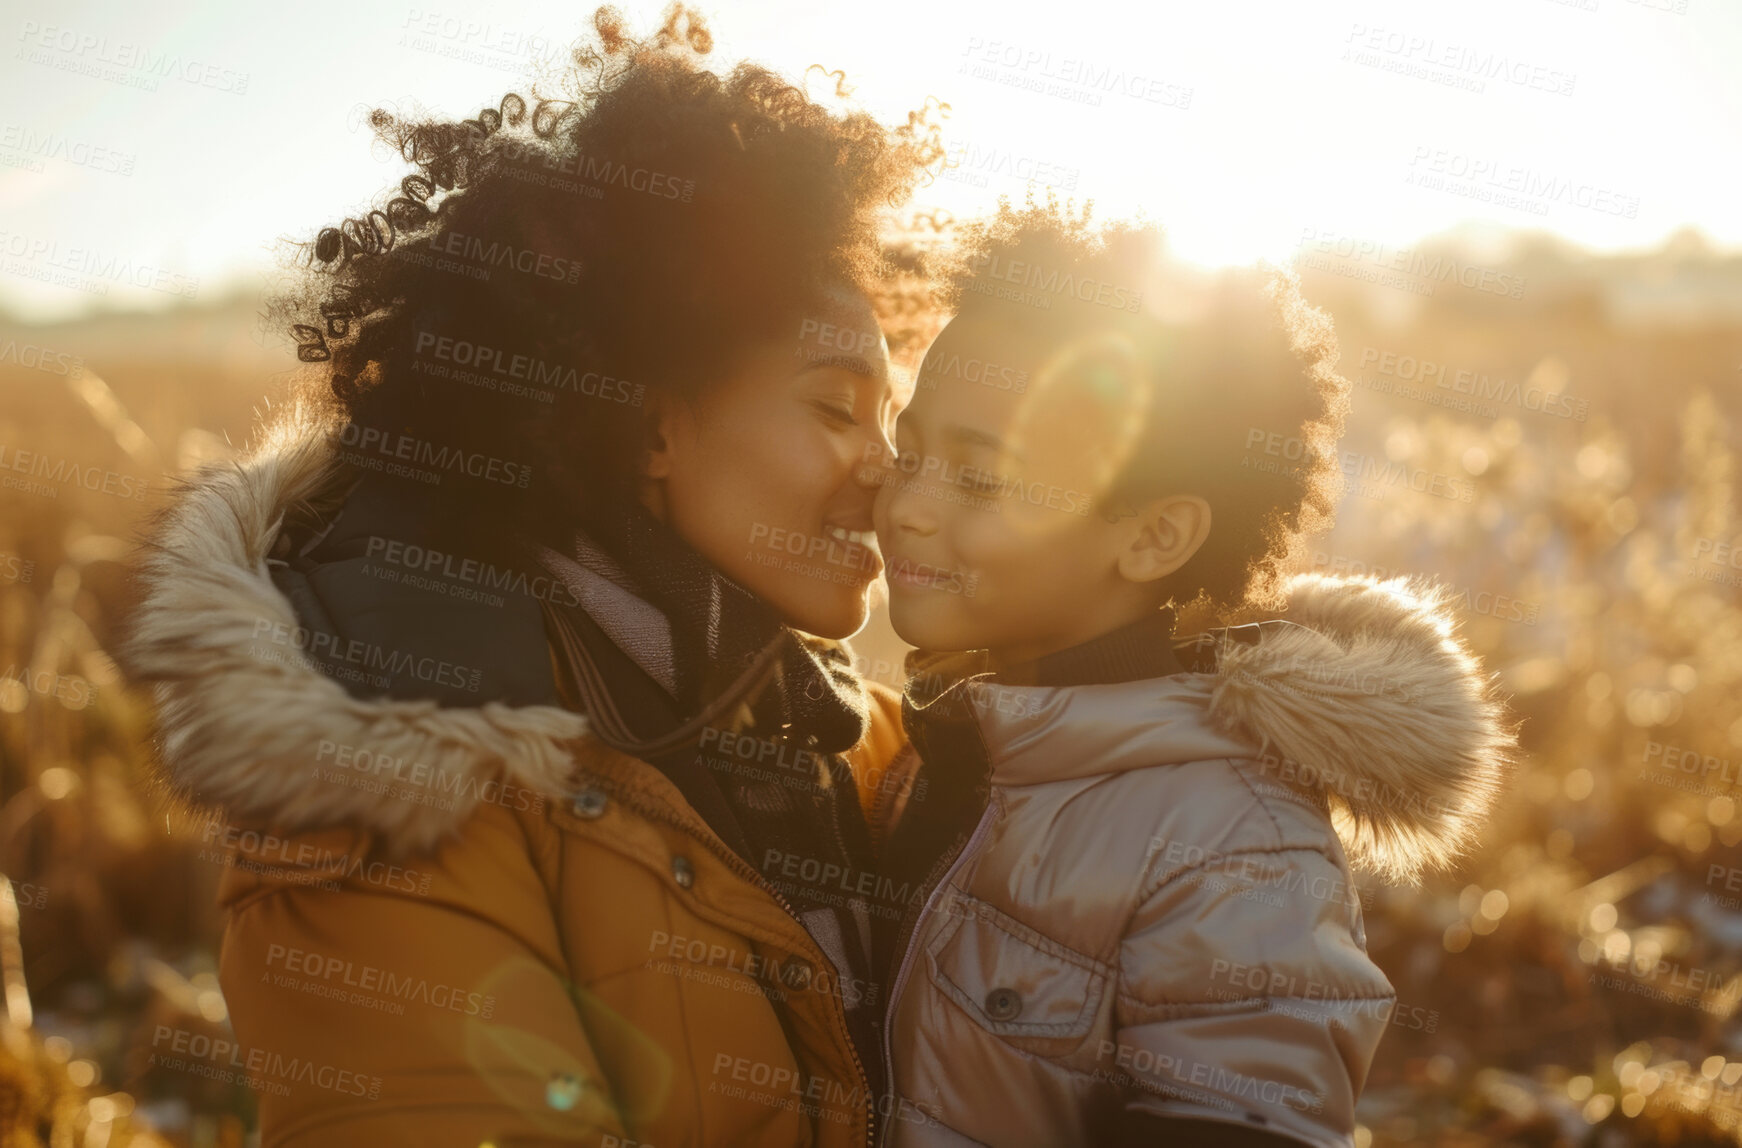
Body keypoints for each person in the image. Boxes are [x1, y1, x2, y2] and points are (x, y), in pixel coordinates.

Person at [120, 9, 944, 1145]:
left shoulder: (866, 741)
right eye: (835, 408)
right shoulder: (395, 770)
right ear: (648, 427)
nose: (889, 470)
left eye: (893, 419)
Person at [867, 201, 1516, 1146]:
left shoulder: (1236, 844)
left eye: (978, 477)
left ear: (1155, 534)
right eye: (910, 452)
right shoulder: (942, 747)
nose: (907, 506)